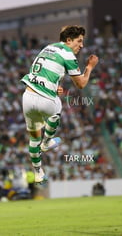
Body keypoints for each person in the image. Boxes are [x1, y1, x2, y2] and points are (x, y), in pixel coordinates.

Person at [20, 25, 99, 183]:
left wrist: (56, 87)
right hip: (45, 100)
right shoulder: (68, 54)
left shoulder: (48, 48)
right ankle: (47, 142)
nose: (81, 45)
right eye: (79, 41)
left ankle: (38, 172)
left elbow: (45, 72)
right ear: (68, 40)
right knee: (57, 108)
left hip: (28, 97)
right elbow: (81, 84)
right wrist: (90, 67)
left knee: (34, 138)